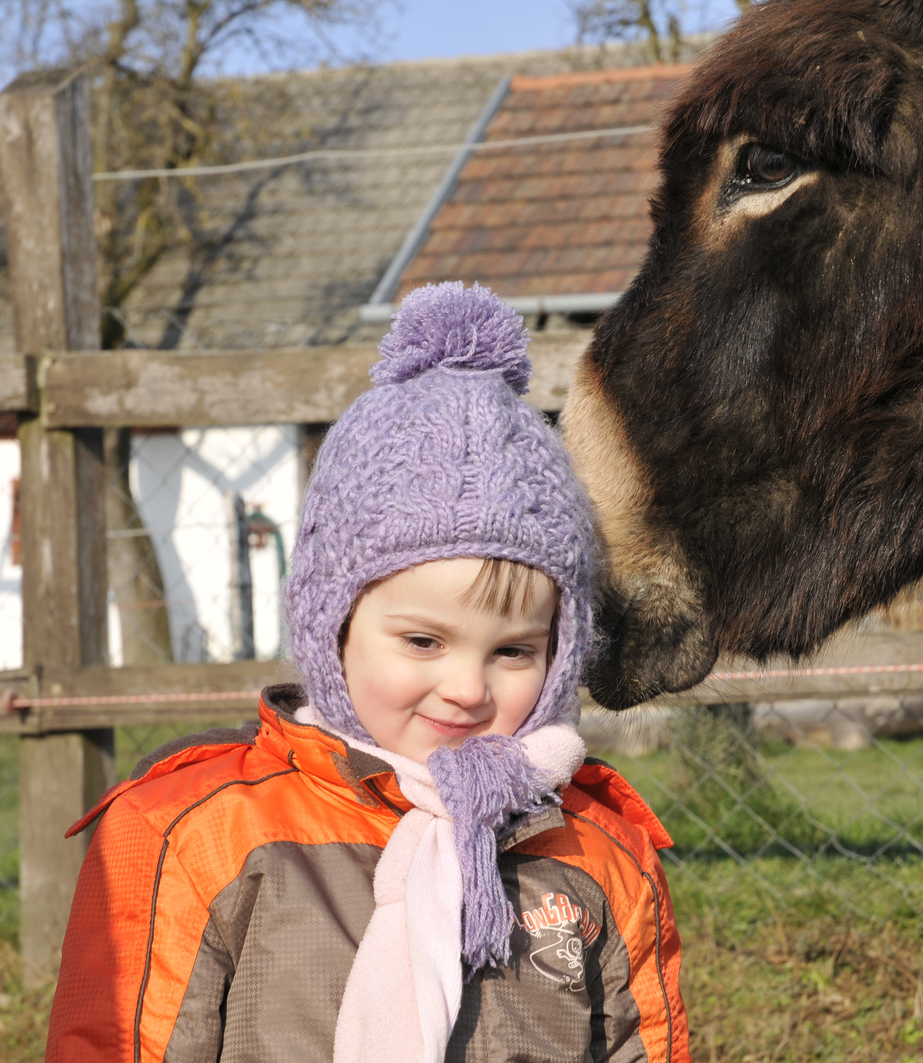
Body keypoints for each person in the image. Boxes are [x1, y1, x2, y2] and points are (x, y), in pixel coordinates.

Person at [43, 282, 687, 1063]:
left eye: (513, 650)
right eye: (422, 641)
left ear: (563, 648)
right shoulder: (198, 834)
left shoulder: (597, 853)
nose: (467, 687)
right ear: (335, 625)